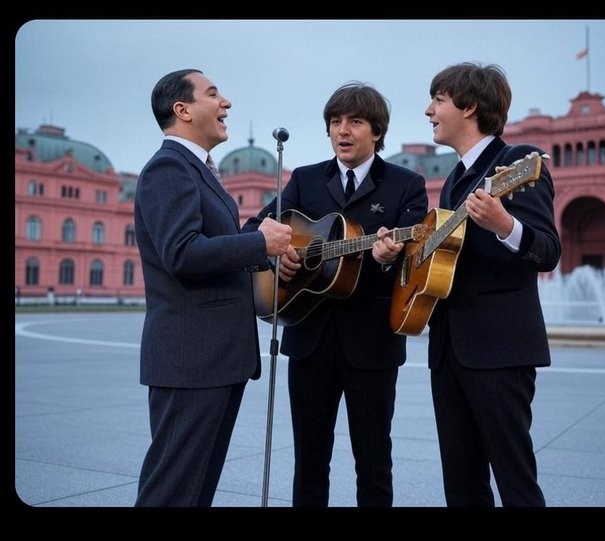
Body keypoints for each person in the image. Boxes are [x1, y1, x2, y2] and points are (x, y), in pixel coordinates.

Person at [243, 82, 428, 507]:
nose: (343, 130)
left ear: (377, 132)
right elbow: (256, 229)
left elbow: (416, 258)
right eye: (335, 122)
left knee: (374, 462)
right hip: (308, 341)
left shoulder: (406, 185)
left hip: (373, 346)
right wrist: (279, 259)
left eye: (355, 122)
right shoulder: (305, 179)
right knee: (309, 462)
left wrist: (387, 258)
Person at [133, 68, 292, 507]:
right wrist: (260, 242)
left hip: (215, 359)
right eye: (213, 94)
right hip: (191, 360)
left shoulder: (198, 170)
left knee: (195, 489)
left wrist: (263, 236)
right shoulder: (169, 166)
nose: (226, 103)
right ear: (182, 110)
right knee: (172, 490)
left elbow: (217, 245)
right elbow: (182, 253)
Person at [417, 62, 561, 506]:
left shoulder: (519, 162)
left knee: (516, 481)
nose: (429, 110)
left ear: (470, 106)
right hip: (448, 352)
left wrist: (505, 225)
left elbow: (548, 251)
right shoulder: (454, 182)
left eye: (438, 100)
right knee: (461, 485)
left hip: (499, 351)